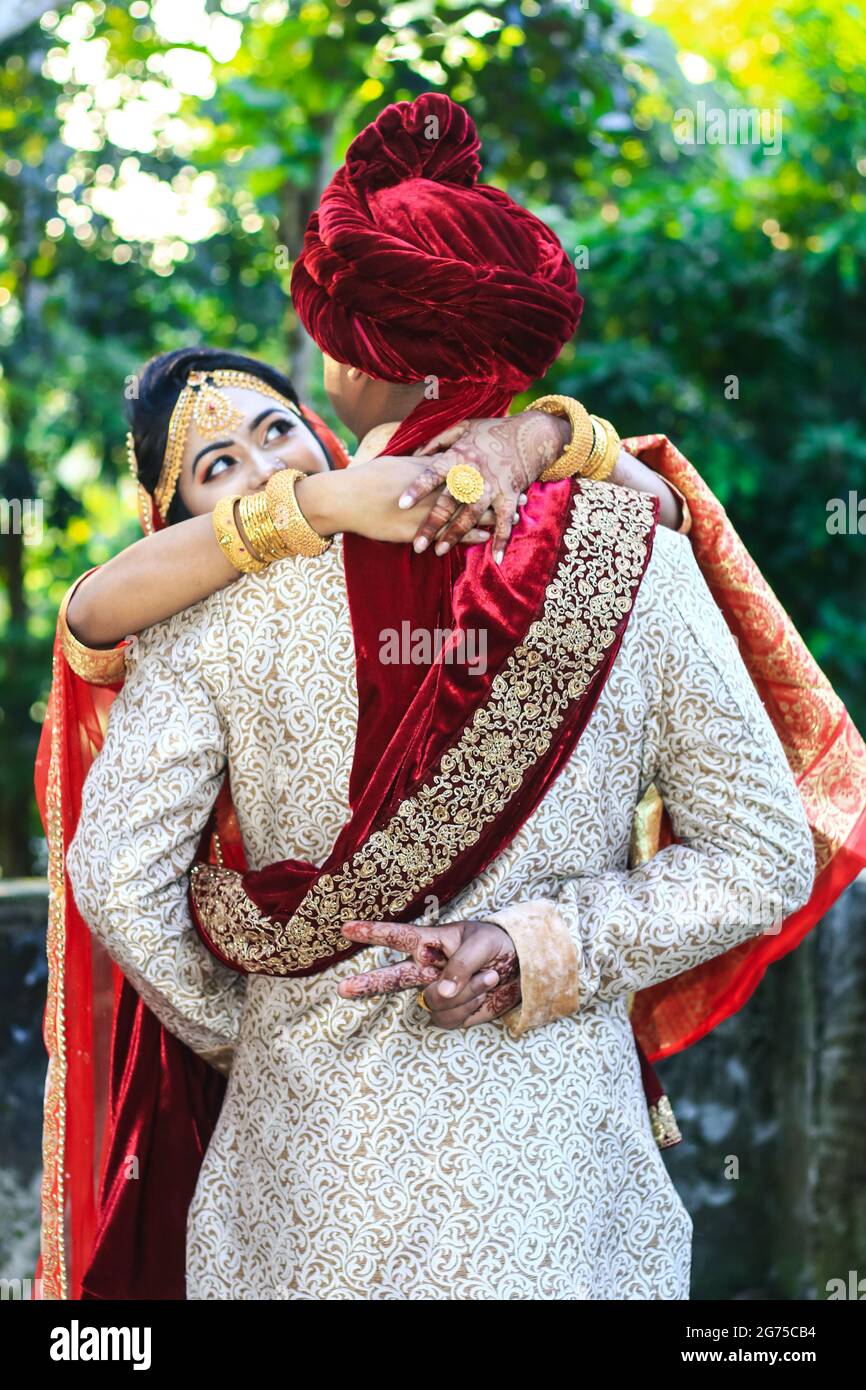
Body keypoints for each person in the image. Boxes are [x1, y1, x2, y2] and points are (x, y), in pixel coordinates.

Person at [64, 94, 864, 1300]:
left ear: (335, 355)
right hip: (561, 1194)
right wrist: (540, 948)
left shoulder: (218, 587)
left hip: (305, 1198)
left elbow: (115, 875)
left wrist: (265, 1023)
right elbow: (761, 858)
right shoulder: (634, 540)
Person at [36, 343, 687, 1301]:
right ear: (173, 526)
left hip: (334, 1153)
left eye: (275, 433)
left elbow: (662, 509)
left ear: (321, 429)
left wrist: (541, 432)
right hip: (512, 1152)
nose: (265, 471)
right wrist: (326, 503)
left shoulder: (464, 523)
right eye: (218, 470)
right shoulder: (186, 610)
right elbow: (91, 610)